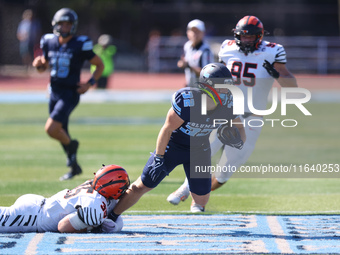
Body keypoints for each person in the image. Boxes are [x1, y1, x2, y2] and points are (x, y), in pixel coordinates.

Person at [167, 15, 298, 210]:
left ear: (259, 36)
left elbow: (292, 85)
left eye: (250, 36)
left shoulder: (273, 51)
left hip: (252, 117)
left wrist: (276, 74)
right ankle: (188, 191)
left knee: (225, 171)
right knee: (203, 153)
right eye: (242, 36)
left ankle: (198, 196)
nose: (245, 40)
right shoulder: (227, 48)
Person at [108, 63, 245, 219]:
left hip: (199, 149)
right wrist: (159, 157)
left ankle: (188, 195)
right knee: (143, 185)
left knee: (202, 199)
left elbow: (240, 128)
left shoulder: (228, 105)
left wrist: (237, 141)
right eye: (222, 86)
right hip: (173, 146)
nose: (227, 90)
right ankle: (111, 214)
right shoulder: (188, 100)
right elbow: (167, 129)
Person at [32, 8, 104, 181]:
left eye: (68, 24)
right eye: (61, 23)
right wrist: (38, 64)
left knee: (51, 129)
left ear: (73, 26)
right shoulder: (48, 41)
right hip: (54, 91)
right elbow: (44, 67)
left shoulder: (81, 43)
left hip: (70, 93)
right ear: (55, 25)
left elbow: (99, 65)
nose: (64, 27)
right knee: (61, 130)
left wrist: (89, 83)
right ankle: (74, 167)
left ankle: (72, 146)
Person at [0, 164, 130, 233]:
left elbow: (113, 212)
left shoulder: (95, 188)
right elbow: (62, 227)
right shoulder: (95, 204)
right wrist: (92, 227)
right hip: (32, 218)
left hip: (37, 205)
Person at [177, 19, 214, 87]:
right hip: (191, 86)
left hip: (203, 88)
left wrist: (188, 66)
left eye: (197, 32)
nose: (194, 34)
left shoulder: (205, 50)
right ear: (188, 32)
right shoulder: (187, 46)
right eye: (193, 31)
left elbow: (206, 74)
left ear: (203, 33)